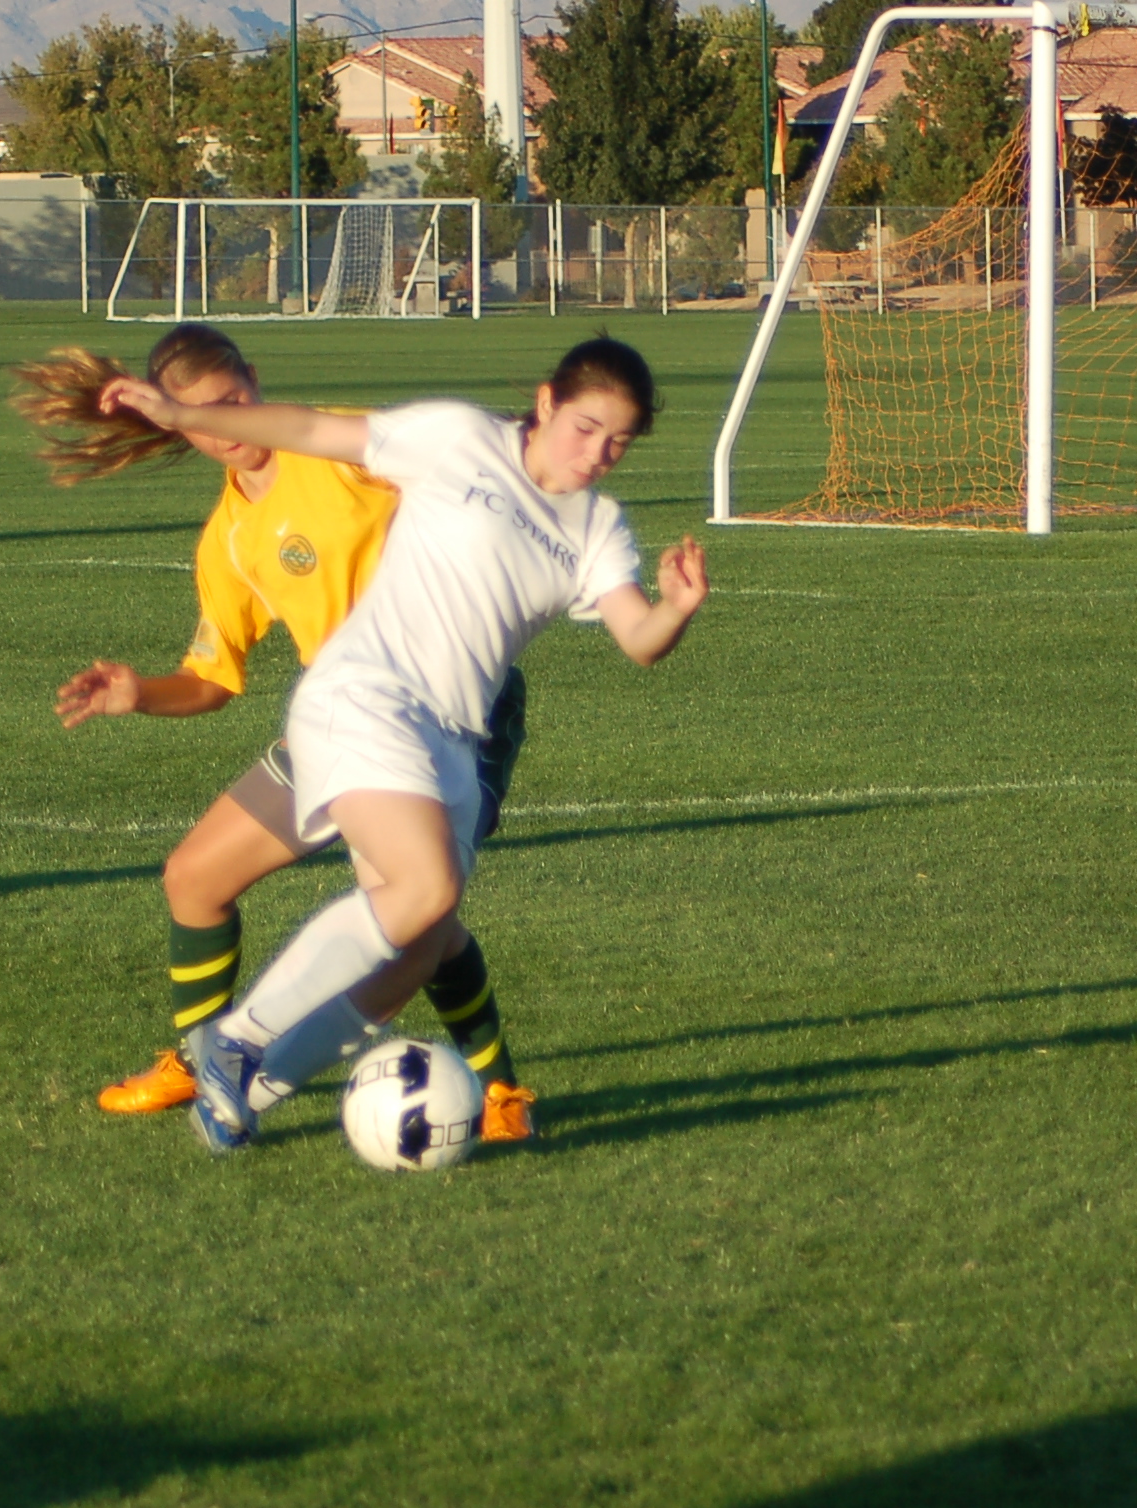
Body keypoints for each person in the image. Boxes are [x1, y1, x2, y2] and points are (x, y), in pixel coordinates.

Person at [94, 335, 710, 1154]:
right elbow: (308, 429)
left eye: (619, 442)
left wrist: (674, 610)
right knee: (418, 888)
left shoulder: (599, 527)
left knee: (420, 940)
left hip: (456, 736)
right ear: (546, 403)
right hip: (365, 696)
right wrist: (174, 414)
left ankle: (247, 1095)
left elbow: (638, 637)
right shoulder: (459, 438)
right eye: (585, 428)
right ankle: (231, 1043)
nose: (596, 454)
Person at [14, 326, 542, 1143]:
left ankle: (500, 1092)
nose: (226, 424)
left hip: (449, 711)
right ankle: (203, 1062)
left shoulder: (334, 448)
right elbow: (211, 680)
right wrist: (140, 694)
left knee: (417, 922)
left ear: (255, 383)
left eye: (233, 400)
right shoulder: (229, 538)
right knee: (193, 877)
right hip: (343, 720)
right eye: (203, 414)